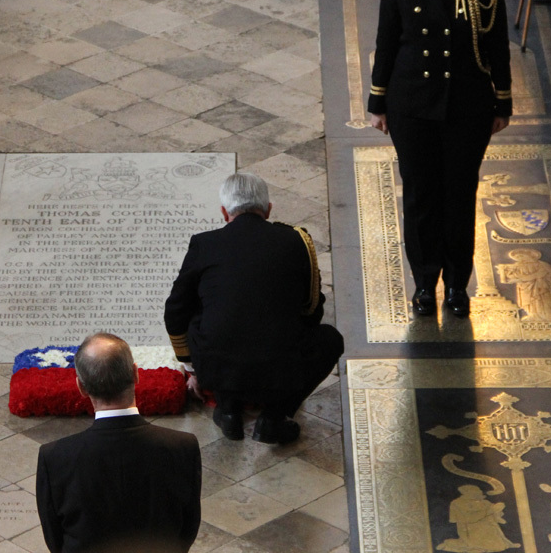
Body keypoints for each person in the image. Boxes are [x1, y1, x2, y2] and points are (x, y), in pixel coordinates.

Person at [368, 0, 512, 318]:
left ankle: (456, 284)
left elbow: (497, 42)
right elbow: (386, 40)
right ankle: (424, 282)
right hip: (412, 105)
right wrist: (377, 101)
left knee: (460, 194)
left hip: (467, 107)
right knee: (420, 195)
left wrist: (502, 100)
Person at [165, 172, 344, 444]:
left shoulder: (204, 244)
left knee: (200, 313)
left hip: (216, 370)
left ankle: (227, 410)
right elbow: (312, 309)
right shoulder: (296, 241)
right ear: (268, 209)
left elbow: (175, 311)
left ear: (224, 212)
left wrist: (193, 370)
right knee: (330, 339)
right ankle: (274, 417)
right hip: (280, 371)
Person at [35, 333, 201, 553]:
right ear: (135, 374)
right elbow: (188, 528)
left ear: (81, 387)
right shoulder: (182, 447)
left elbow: (55, 538)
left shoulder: (55, 458)